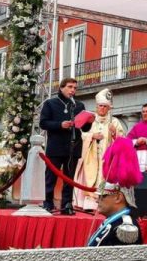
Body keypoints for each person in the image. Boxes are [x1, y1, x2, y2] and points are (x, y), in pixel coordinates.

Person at [40, 77, 91, 215]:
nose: (72, 90)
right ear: (61, 87)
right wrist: (60, 125)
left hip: (73, 147)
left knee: (69, 178)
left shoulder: (79, 105)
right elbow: (43, 123)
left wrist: (89, 121)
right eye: (70, 87)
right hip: (55, 146)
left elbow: (85, 129)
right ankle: (47, 204)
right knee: (51, 177)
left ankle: (67, 204)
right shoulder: (50, 104)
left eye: (75, 88)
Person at [75, 88, 126, 210]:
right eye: (100, 106)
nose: (102, 108)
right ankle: (88, 204)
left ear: (109, 108)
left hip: (106, 157)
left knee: (103, 178)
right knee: (90, 177)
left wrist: (114, 134)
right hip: (91, 155)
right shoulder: (90, 120)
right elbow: (80, 134)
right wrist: (92, 136)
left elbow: (122, 139)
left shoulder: (114, 121)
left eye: (104, 106)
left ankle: (103, 203)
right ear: (96, 107)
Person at [87, 138, 143, 247]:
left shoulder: (126, 227)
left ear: (118, 197)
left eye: (103, 196)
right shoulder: (114, 221)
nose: (97, 200)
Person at [126, 104, 147, 171]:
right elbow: (128, 140)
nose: (145, 114)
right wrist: (136, 142)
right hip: (138, 158)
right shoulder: (137, 126)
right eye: (143, 112)